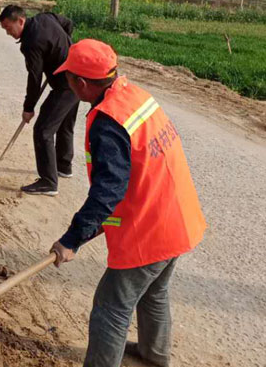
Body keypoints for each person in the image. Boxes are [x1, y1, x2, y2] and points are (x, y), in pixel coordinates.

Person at [49, 38, 207, 367]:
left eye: (69, 78)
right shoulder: (135, 95)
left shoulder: (108, 122)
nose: (68, 84)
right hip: (178, 218)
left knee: (110, 305)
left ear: (81, 83)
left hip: (151, 228)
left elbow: (108, 191)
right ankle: (153, 354)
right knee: (154, 292)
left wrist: (71, 239)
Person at [0, 5, 79, 196]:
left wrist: (29, 108)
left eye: (9, 28)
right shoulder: (46, 17)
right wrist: (67, 49)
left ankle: (48, 182)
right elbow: (68, 24)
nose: (9, 33)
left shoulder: (30, 43)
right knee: (64, 124)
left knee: (43, 130)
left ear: (20, 21)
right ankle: (63, 166)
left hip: (65, 86)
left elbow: (34, 78)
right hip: (77, 78)